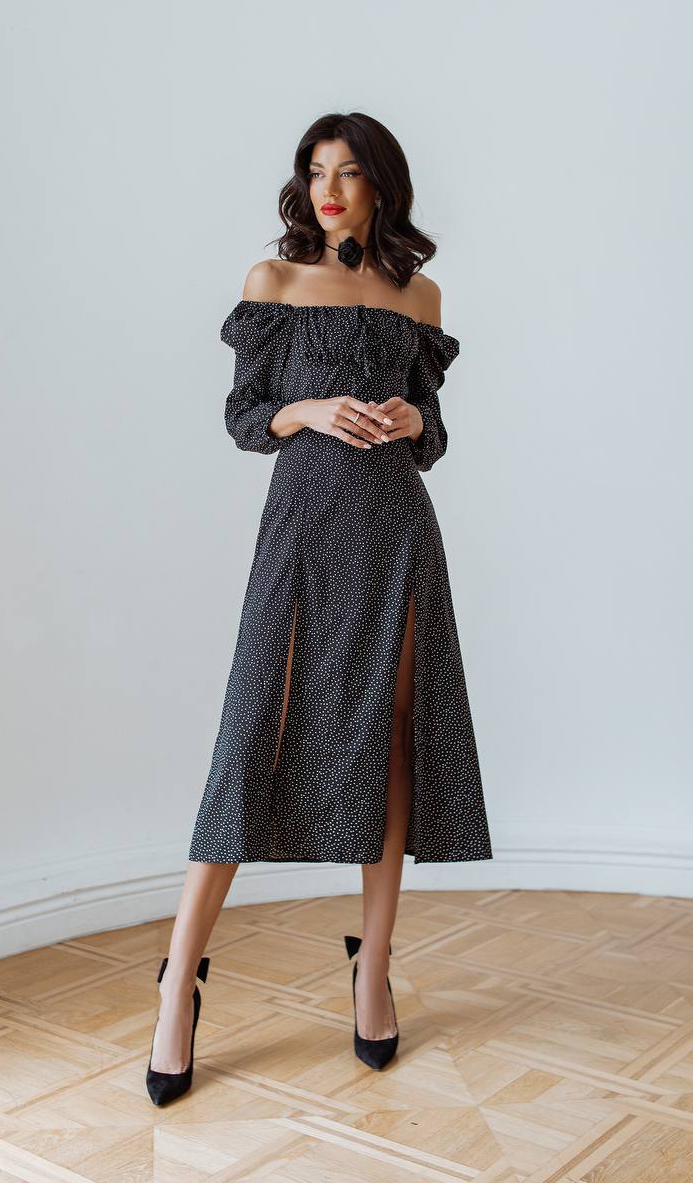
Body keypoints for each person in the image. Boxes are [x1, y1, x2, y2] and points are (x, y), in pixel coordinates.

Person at [146, 111, 493, 1105]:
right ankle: (179, 981)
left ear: (381, 184)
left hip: (395, 525)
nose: (327, 186)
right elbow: (244, 414)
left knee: (388, 735)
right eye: (314, 170)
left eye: (346, 171)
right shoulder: (276, 284)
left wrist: (413, 414)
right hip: (301, 523)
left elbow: (430, 433)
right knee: (254, 728)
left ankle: (372, 966)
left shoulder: (417, 292)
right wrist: (306, 409)